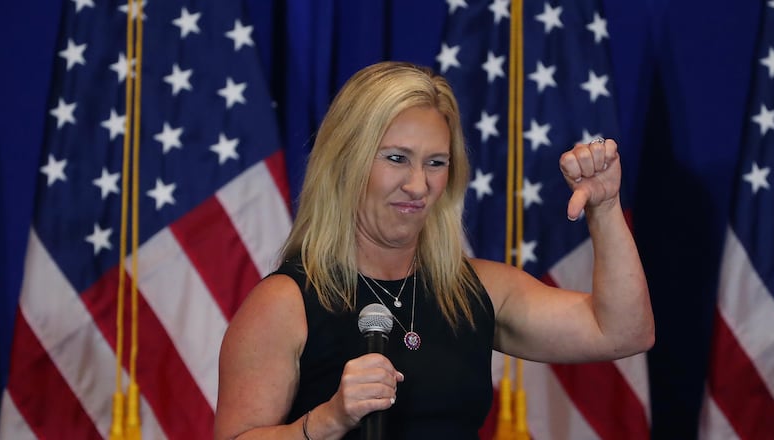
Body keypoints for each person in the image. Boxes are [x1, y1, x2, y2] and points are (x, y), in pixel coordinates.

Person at [213, 61, 654, 440]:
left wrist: (607, 208)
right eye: (396, 158)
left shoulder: (476, 288)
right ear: (345, 162)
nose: (418, 185)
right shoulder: (285, 303)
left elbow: (623, 332)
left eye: (436, 163)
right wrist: (327, 420)